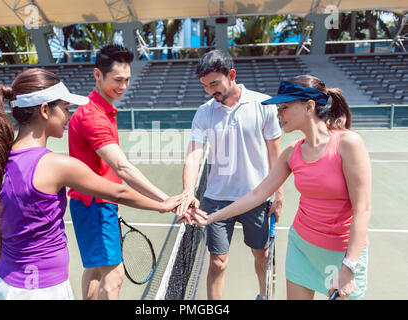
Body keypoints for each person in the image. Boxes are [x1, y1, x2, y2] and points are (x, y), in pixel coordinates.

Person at [0, 68, 183, 300]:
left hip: (3, 284)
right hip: (44, 290)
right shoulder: (57, 165)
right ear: (45, 110)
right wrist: (164, 204)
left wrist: (7, 281)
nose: (68, 116)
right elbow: (120, 192)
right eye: (65, 109)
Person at [192, 75, 371, 300]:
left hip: (343, 254)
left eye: (284, 108)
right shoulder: (291, 154)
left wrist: (349, 267)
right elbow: (257, 194)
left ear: (309, 106)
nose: (278, 114)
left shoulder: (348, 144)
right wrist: (211, 218)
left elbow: (362, 209)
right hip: (302, 249)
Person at [67, 44, 193, 300]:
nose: (123, 86)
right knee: (114, 276)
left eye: (126, 80)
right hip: (95, 205)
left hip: (93, 203)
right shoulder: (93, 117)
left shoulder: (102, 110)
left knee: (94, 270)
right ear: (97, 75)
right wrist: (163, 200)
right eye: (117, 80)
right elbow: (122, 167)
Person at [178, 50, 284, 300]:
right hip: (215, 199)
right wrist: (188, 191)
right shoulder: (204, 112)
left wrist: (279, 195)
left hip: (256, 198)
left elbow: (276, 156)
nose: (209, 90)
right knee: (217, 263)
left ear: (231, 75)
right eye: (204, 85)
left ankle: (263, 295)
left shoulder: (263, 105)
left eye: (214, 83)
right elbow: (194, 155)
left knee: (262, 255)